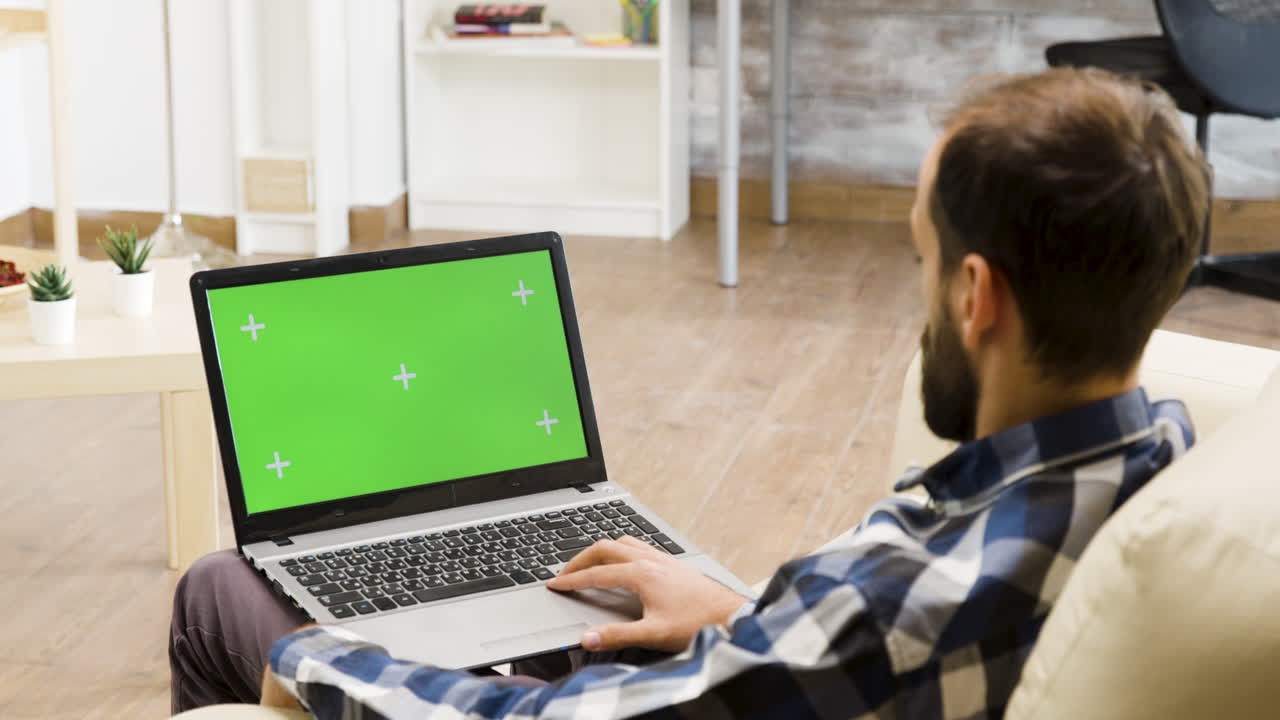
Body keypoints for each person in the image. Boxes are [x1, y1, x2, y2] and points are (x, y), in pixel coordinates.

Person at [171, 67, 1209, 718]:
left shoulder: (899, 612)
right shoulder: (1161, 457)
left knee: (221, 592)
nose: (921, 303)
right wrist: (737, 612)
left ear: (976, 296)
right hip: (754, 663)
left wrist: (322, 663)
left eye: (920, 261)